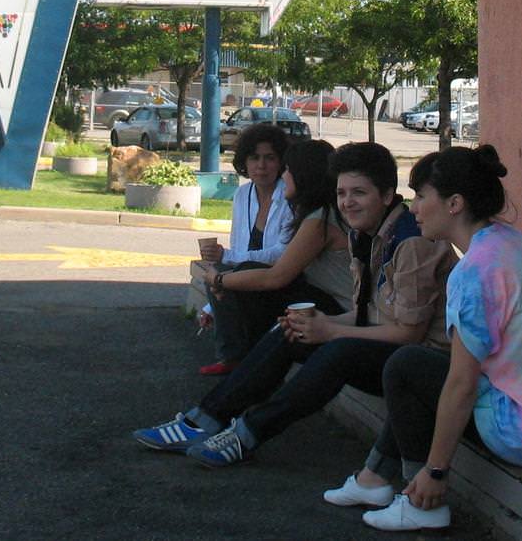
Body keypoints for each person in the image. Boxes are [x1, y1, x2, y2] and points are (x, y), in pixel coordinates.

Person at [134, 142, 458, 469]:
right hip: (391, 345)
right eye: (341, 192)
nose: (347, 202)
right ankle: (203, 420)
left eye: (358, 193)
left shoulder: (411, 241)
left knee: (336, 349)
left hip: (423, 363)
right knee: (292, 329)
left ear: (387, 195)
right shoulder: (368, 234)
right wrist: (319, 324)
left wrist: (331, 329)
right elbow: (371, 312)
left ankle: (245, 433)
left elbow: (410, 335)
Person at [330, 145, 522, 532]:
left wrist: (436, 469)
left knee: (407, 366)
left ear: (454, 203)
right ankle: (374, 477)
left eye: (420, 196)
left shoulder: (474, 272)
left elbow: (463, 384)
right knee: (422, 366)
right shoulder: (511, 243)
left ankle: (421, 498)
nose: (413, 208)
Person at [200, 140, 351, 365]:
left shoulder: (320, 219)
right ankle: (242, 361)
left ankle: (243, 363)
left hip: (343, 311)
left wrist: (220, 280)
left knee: (251, 284)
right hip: (319, 298)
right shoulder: (307, 211)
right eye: (254, 158)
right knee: (245, 278)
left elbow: (276, 276)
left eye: (287, 169)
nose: (283, 176)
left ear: (304, 174)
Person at [195, 123, 295, 374]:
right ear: (244, 161)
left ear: (281, 162)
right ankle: (231, 358)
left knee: (228, 269)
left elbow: (281, 254)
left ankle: (237, 361)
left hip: (278, 281)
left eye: (269, 158)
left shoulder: (289, 196)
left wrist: (227, 257)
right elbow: (236, 249)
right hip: (246, 278)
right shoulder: (242, 195)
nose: (261, 165)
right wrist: (210, 307)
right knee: (218, 269)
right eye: (254, 157)